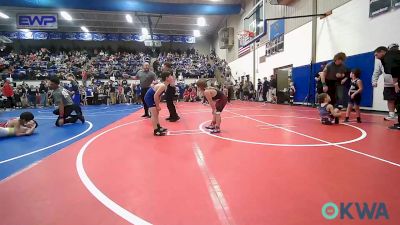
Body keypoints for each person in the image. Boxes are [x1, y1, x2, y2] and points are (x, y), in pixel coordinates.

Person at [144, 71, 174, 136]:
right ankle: (156, 131)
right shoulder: (163, 86)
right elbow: (155, 96)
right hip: (149, 97)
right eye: (170, 76)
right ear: (167, 78)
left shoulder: (165, 85)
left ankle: (158, 127)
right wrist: (157, 106)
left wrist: (158, 105)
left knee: (156, 113)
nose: (172, 77)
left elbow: (159, 95)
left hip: (152, 97)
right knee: (154, 114)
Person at [372, 46, 397, 121]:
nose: (376, 57)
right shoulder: (379, 61)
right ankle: (391, 115)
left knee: (398, 100)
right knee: (390, 99)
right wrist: (374, 81)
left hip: (397, 83)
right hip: (388, 84)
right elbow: (377, 71)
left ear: (382, 52)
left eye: (376, 55)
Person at [382, 43, 400, 130]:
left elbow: (395, 70)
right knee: (394, 101)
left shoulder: (391, 57)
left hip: (396, 82)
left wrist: (396, 84)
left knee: (398, 102)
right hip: (391, 83)